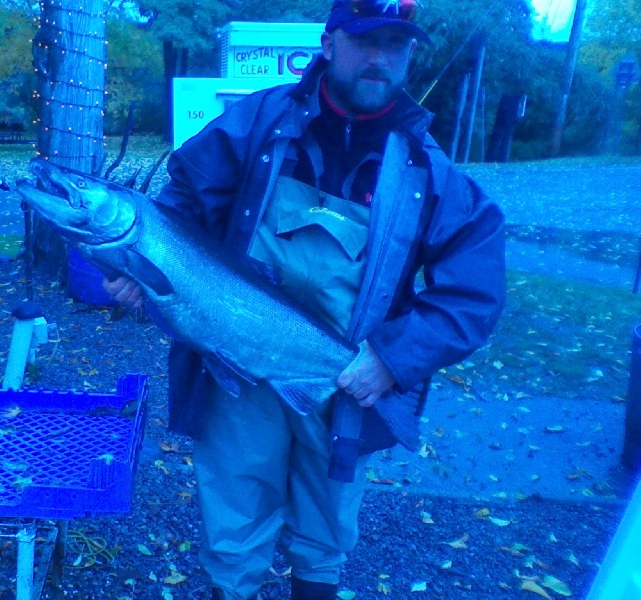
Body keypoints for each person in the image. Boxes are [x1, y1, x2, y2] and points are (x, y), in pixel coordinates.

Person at [105, 0, 506, 597]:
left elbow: (475, 291)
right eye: (367, 40)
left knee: (325, 530)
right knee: (235, 517)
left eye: (396, 45)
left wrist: (393, 359)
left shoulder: (429, 171)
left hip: (346, 377)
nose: (380, 58)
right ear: (328, 43)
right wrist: (148, 270)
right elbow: (181, 202)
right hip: (238, 366)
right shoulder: (259, 123)